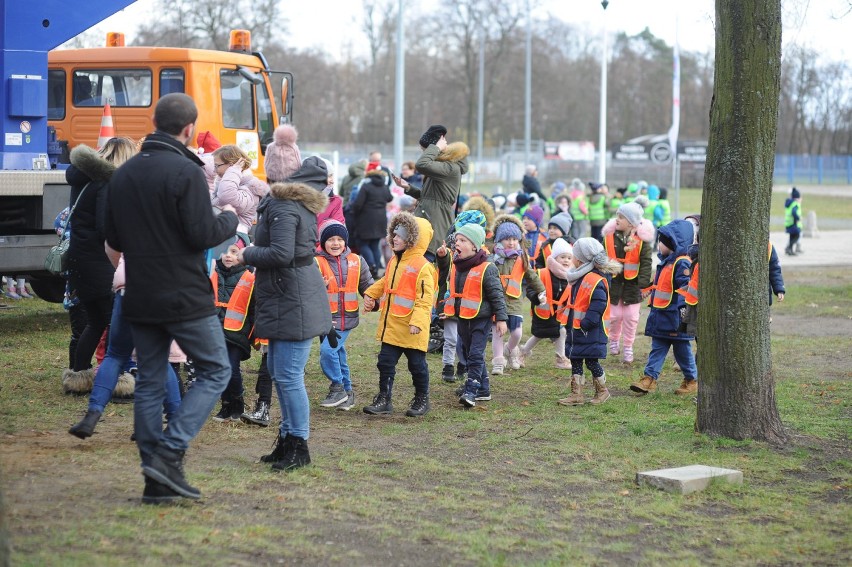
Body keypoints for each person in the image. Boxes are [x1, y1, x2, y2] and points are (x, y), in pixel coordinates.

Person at [105, 93, 240, 504]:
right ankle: (169, 451)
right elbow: (204, 235)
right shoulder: (186, 172)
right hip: (183, 295)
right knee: (216, 370)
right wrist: (230, 219)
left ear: (155, 122)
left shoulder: (124, 174)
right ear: (188, 130)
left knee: (149, 380)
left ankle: (155, 480)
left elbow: (113, 238)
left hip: (139, 293)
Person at [238, 162, 333, 472]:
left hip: (292, 298)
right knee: (280, 373)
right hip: (287, 295)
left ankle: (298, 445)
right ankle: (287, 439)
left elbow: (280, 254)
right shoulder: (294, 205)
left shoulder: (285, 206)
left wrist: (245, 254)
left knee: (289, 376)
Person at [68, 254, 183, 439]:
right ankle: (174, 420)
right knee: (158, 358)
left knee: (114, 355)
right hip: (166, 286)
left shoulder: (130, 223)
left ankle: (93, 414)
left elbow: (110, 247)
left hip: (129, 283)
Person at [62, 137, 137, 395]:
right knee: (112, 323)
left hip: (80, 258)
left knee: (95, 322)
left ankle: (78, 377)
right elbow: (106, 227)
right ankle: (115, 381)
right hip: (99, 261)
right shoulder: (106, 183)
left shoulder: (83, 178)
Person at [361, 213, 436, 417]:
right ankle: (384, 398)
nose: (395, 238)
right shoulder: (395, 261)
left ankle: (422, 398)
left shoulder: (423, 267)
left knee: (417, 366)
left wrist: (418, 322)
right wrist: (370, 293)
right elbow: (386, 282)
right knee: (385, 362)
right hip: (393, 325)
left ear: (413, 239)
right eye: (394, 234)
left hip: (413, 328)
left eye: (401, 236)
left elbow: (425, 298)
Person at [630, 219, 698, 396]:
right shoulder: (667, 262)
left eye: (662, 241)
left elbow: (685, 288)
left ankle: (691, 380)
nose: (658, 245)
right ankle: (648, 379)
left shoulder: (681, 263)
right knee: (657, 349)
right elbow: (661, 285)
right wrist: (647, 289)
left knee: (682, 352)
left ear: (674, 243)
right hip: (661, 318)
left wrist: (684, 313)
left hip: (675, 319)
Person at [444, 224, 508, 407]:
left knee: (475, 354)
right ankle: (483, 389)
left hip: (481, 319)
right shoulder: (457, 266)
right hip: (463, 317)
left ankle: (471, 390)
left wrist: (501, 319)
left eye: (463, 240)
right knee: (466, 351)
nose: (458, 243)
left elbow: (497, 295)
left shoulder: (487, 268)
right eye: (457, 240)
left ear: (475, 246)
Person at [315, 220, 374, 410]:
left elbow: (368, 284)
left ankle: (337, 387)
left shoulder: (357, 261)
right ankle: (348, 394)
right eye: (331, 239)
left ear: (345, 242)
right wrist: (319, 286)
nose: (335, 243)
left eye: (340, 239)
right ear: (323, 242)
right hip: (323, 318)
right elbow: (306, 289)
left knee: (328, 351)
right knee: (338, 354)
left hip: (345, 318)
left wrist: (372, 299)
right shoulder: (315, 261)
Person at [558, 238, 622, 406]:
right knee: (576, 359)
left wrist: (588, 322)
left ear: (580, 259)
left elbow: (599, 303)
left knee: (592, 362)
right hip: (577, 330)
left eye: (574, 256)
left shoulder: (594, 279)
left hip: (590, 330)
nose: (572, 259)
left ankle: (602, 390)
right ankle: (576, 394)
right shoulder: (579, 277)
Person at [400, 125, 469, 261]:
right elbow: (430, 197)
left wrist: (436, 147)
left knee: (429, 262)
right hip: (430, 217)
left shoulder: (450, 168)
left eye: (425, 149)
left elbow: (421, 164)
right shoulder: (443, 166)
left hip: (435, 221)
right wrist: (408, 187)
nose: (424, 152)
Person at [489, 215, 545, 375]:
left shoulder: (522, 257)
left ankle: (509, 349)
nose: (511, 242)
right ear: (500, 240)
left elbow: (531, 276)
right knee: (498, 333)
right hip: (496, 301)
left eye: (514, 239)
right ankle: (498, 361)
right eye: (507, 239)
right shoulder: (493, 258)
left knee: (516, 333)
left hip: (514, 302)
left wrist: (541, 290)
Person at [601, 202, 655, 364]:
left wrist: (643, 283)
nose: (616, 219)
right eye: (617, 216)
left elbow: (646, 262)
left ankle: (628, 346)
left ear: (631, 223)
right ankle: (614, 340)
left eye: (621, 217)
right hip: (615, 284)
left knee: (631, 318)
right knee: (615, 316)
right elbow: (602, 257)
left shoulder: (641, 241)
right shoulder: (609, 238)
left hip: (633, 286)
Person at [210, 241, 255, 422]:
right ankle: (226, 404)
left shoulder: (249, 277)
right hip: (215, 330)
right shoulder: (212, 273)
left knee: (232, 368)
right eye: (225, 251)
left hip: (237, 332)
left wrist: (252, 332)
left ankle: (238, 401)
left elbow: (253, 308)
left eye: (234, 252)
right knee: (220, 369)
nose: (228, 256)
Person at [521, 238, 573, 370]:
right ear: (555, 258)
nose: (566, 260)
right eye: (562, 257)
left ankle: (560, 358)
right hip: (543, 311)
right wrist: (537, 297)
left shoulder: (570, 277)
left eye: (569, 257)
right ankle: (523, 352)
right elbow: (530, 289)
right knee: (539, 335)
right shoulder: (543, 273)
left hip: (558, 314)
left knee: (560, 332)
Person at [210, 145, 269, 235]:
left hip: (236, 237)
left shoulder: (251, 187)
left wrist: (233, 171)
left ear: (231, 165)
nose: (214, 170)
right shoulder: (224, 183)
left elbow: (227, 198)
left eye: (217, 165)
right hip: (224, 233)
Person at [352, 164, 393, 277]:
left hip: (366, 219)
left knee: (362, 243)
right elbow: (390, 198)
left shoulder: (366, 186)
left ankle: (372, 266)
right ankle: (376, 267)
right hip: (381, 219)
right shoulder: (384, 186)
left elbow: (358, 204)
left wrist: (353, 209)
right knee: (375, 245)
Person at [785, 187, 802, 255]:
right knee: (797, 236)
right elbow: (794, 212)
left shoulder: (789, 203)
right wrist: (798, 218)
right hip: (793, 223)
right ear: (796, 198)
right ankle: (789, 248)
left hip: (789, 223)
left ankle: (790, 251)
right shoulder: (795, 204)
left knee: (791, 236)